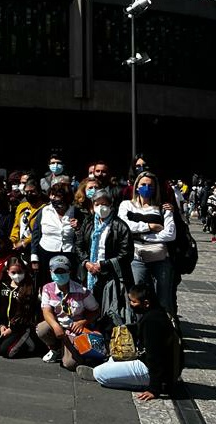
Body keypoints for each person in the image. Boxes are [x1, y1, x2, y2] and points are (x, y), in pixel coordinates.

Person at [83, 283, 183, 400]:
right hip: (150, 363)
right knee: (112, 359)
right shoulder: (156, 312)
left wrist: (154, 389)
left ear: (146, 303)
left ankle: (140, 383)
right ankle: (110, 373)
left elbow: (154, 357)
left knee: (101, 375)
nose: (131, 304)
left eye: (134, 302)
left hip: (151, 370)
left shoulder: (152, 322)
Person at [118, 171, 175, 313]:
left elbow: (170, 234)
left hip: (159, 257)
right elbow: (124, 227)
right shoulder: (127, 205)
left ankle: (164, 329)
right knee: (138, 296)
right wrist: (149, 227)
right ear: (137, 186)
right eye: (143, 184)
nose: (146, 188)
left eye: (150, 185)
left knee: (163, 297)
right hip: (137, 255)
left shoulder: (163, 208)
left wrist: (142, 237)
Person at [76, 190, 134, 326]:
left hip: (111, 276)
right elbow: (79, 246)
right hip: (89, 273)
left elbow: (126, 254)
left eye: (104, 204)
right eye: (97, 204)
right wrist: (86, 263)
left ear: (111, 205)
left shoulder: (120, 226)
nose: (101, 207)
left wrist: (103, 265)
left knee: (108, 310)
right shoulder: (88, 222)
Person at [36, 255, 100, 370]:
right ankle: (55, 349)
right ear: (51, 272)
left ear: (69, 272)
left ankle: (72, 350)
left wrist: (83, 322)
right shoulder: (47, 288)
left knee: (70, 364)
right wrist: (55, 326)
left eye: (63, 271)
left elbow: (95, 310)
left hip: (74, 328)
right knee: (42, 329)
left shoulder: (82, 291)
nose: (60, 274)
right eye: (57, 271)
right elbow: (46, 311)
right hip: (59, 326)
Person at [0, 256, 39, 358]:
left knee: (7, 352)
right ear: (8, 272)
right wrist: (1, 326)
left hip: (20, 327)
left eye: (19, 272)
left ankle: (29, 342)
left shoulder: (29, 288)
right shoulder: (3, 285)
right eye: (13, 273)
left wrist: (11, 329)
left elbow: (27, 313)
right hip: (5, 325)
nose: (17, 275)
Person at [30, 182, 80, 287]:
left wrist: (78, 228)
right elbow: (35, 234)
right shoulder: (44, 211)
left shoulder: (76, 212)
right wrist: (34, 257)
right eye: (52, 195)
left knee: (67, 285)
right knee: (47, 285)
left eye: (58, 196)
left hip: (68, 254)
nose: (54, 199)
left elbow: (82, 236)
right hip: (46, 254)